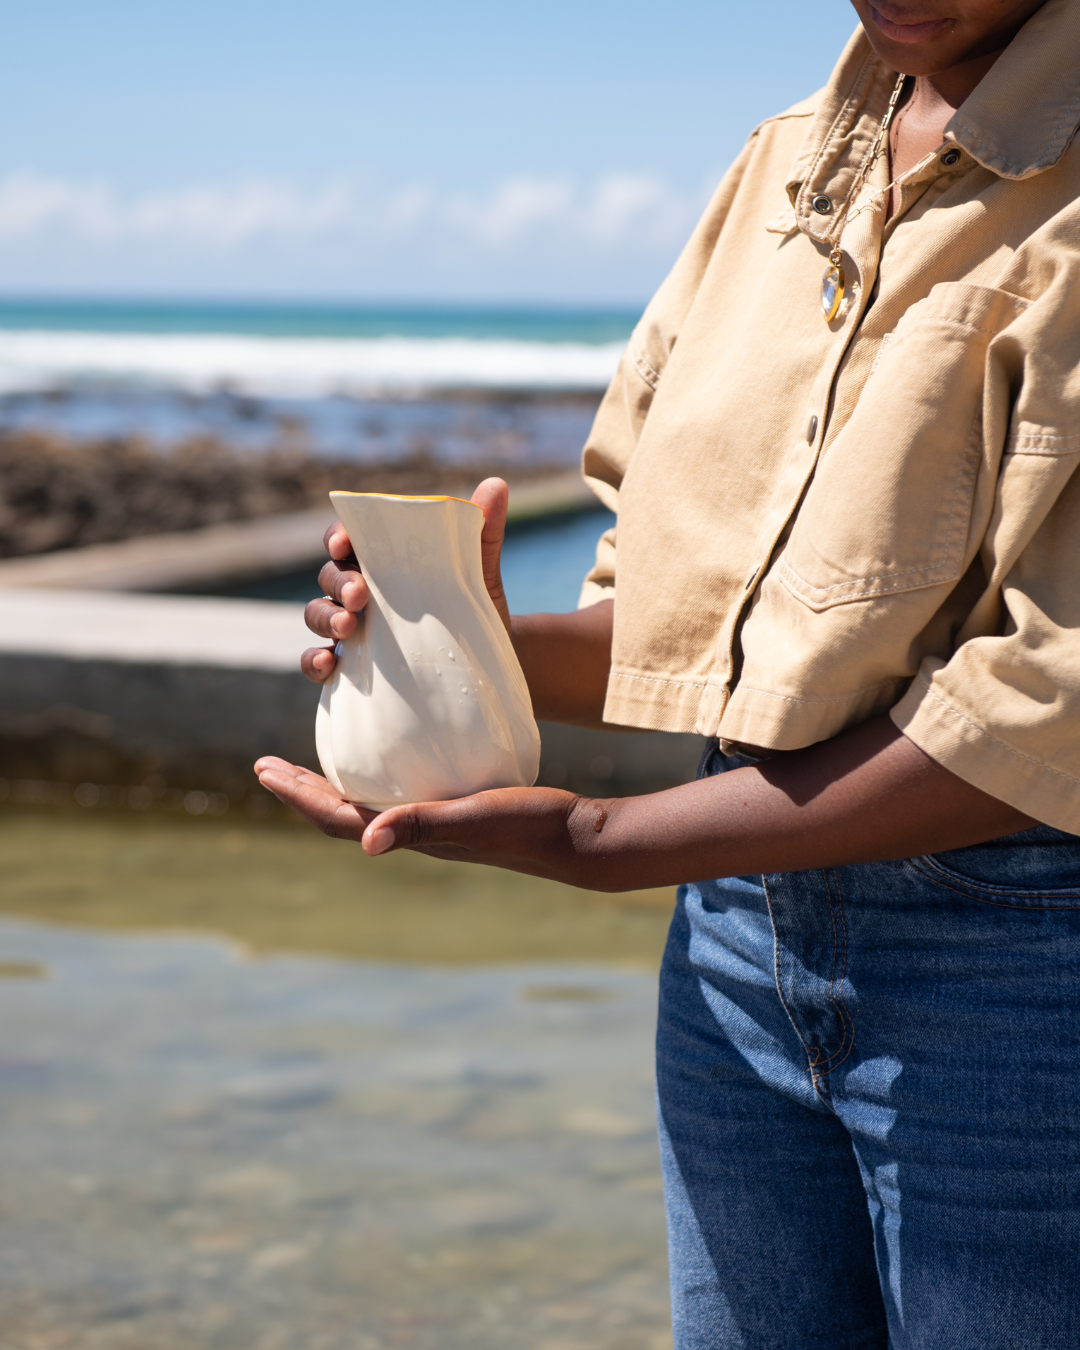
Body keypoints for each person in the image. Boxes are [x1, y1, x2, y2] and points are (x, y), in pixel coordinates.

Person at [256, 0, 1080, 1342]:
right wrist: (454, 653)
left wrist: (600, 838)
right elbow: (689, 619)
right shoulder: (782, 169)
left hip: (1026, 972)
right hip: (732, 954)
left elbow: (1049, 702)